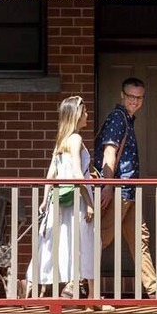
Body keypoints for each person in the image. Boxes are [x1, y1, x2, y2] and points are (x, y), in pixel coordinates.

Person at [96, 77, 157, 298]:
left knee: (140, 238)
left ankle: (153, 288)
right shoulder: (118, 117)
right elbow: (109, 152)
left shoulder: (128, 120)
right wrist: (108, 186)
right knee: (102, 237)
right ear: (122, 95)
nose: (135, 101)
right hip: (119, 189)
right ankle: (75, 284)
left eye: (139, 97)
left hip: (128, 192)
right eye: (131, 96)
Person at [30, 96, 96, 298]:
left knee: (57, 243)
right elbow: (77, 173)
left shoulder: (61, 140)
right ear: (76, 115)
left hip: (59, 200)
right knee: (87, 244)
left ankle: (35, 285)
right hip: (77, 200)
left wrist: (44, 200)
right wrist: (89, 202)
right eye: (84, 112)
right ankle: (93, 297)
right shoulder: (76, 139)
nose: (87, 115)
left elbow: (51, 174)